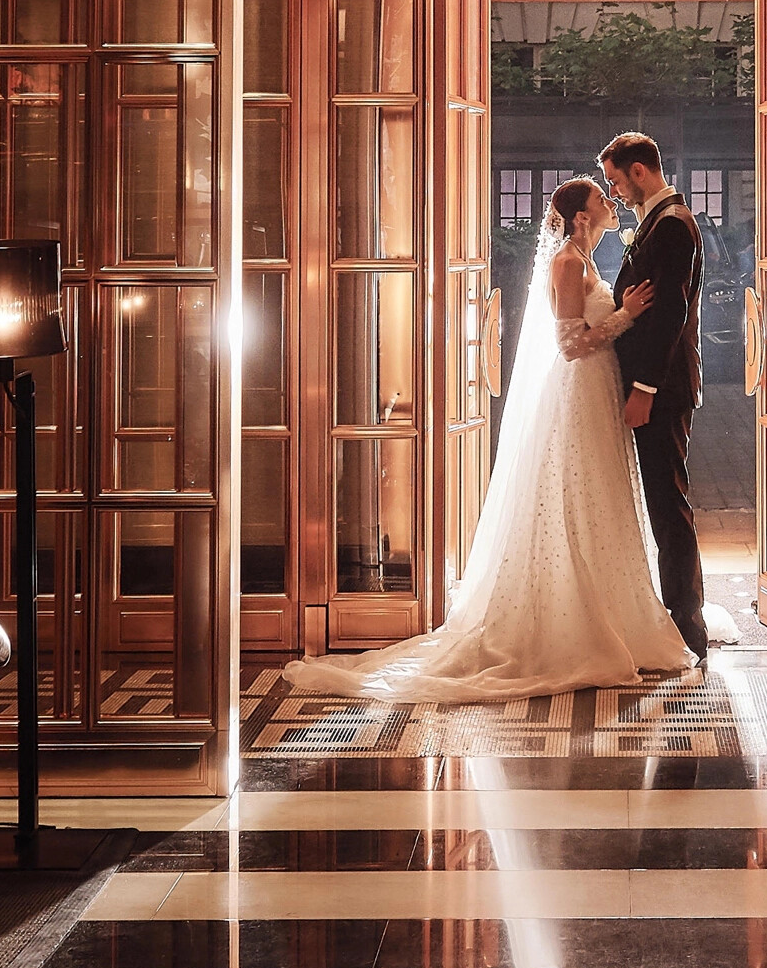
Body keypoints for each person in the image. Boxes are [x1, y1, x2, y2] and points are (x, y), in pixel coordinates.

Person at [277, 177, 698, 703]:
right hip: (579, 389)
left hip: (598, 389)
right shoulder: (568, 263)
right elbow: (571, 344)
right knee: (573, 497)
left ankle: (615, 609)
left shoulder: (586, 260)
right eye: (600, 198)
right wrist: (625, 315)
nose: (610, 202)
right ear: (581, 217)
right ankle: (572, 618)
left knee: (600, 499)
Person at [600, 130, 712, 661]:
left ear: (639, 171)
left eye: (616, 181)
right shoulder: (659, 221)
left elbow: (670, 313)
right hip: (655, 386)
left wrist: (644, 388)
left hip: (662, 390)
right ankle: (676, 614)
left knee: (668, 504)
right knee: (662, 501)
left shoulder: (672, 225)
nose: (615, 192)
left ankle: (687, 623)